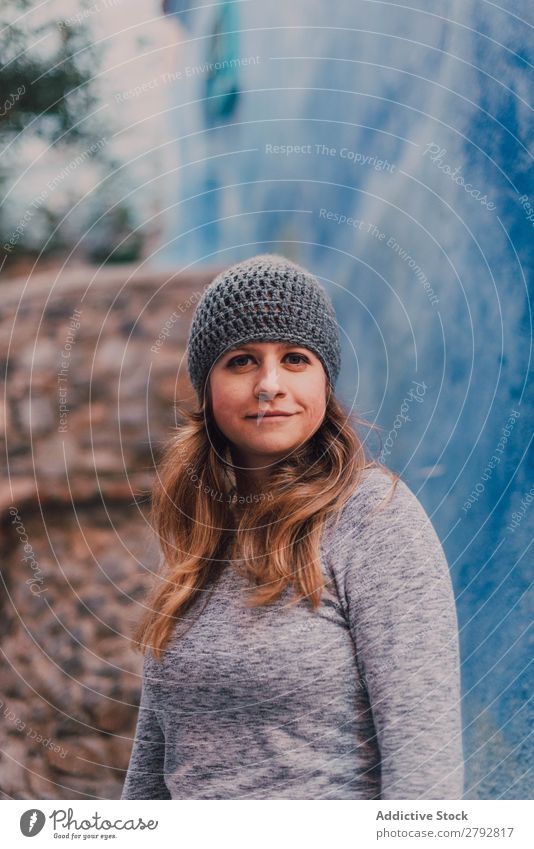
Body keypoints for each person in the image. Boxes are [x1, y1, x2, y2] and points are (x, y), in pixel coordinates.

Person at [121, 254, 464, 800]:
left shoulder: (374, 518)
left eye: (295, 358)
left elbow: (425, 766)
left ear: (325, 382)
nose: (269, 385)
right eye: (242, 361)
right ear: (206, 387)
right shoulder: (201, 531)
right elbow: (154, 760)